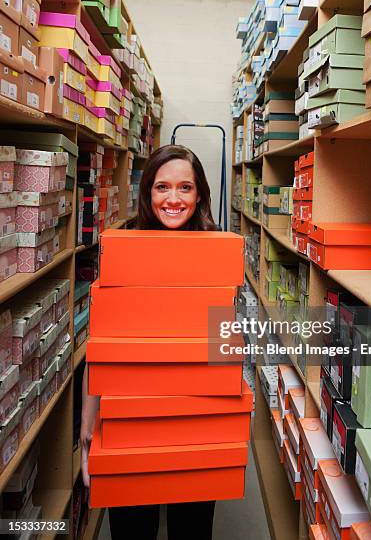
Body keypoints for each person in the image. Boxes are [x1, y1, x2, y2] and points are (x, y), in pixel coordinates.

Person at [80, 145, 219, 540]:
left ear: (199, 195)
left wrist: (229, 424)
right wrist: (88, 429)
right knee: (132, 527)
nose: (173, 199)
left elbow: (224, 347)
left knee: (191, 529)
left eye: (185, 188)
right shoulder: (123, 248)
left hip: (196, 422)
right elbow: (101, 343)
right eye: (162, 187)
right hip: (130, 421)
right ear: (147, 194)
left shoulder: (217, 252)